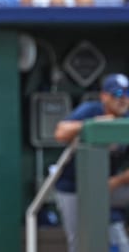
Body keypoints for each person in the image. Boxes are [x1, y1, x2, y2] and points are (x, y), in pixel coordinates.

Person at [54, 73, 129, 252]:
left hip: (108, 185)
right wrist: (93, 124)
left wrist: (116, 182)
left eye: (127, 94)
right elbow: (60, 133)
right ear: (104, 96)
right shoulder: (92, 110)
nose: (123, 100)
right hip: (74, 186)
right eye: (117, 94)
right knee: (80, 243)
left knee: (119, 243)